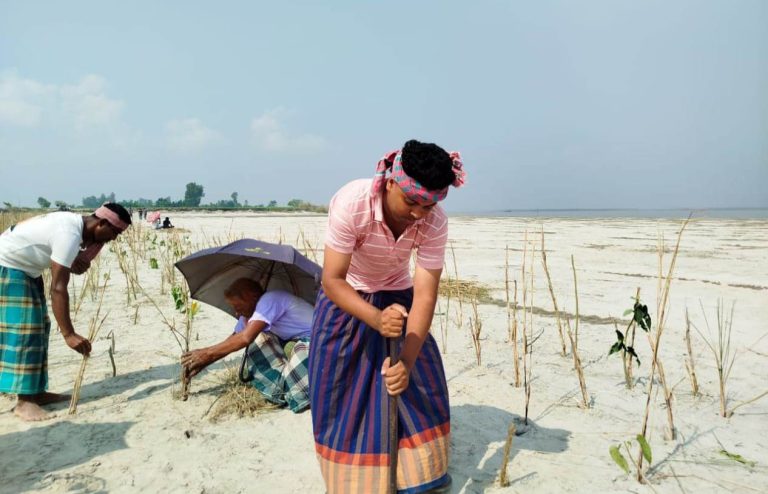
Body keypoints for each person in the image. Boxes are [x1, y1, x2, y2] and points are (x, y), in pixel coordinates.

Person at [309, 139, 465, 493]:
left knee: (418, 384)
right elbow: (332, 280)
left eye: (428, 205)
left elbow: (425, 293)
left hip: (399, 294)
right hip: (347, 297)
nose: (418, 214)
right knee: (342, 392)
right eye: (411, 202)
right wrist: (376, 319)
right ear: (391, 182)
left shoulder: (434, 222)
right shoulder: (352, 203)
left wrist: (407, 363)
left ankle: (417, 476)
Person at [0, 202, 131, 421]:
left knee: (40, 327)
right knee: (26, 332)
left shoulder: (74, 229)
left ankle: (36, 392)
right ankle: (24, 402)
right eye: (114, 232)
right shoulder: (68, 234)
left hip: (26, 268)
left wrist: (73, 261)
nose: (114, 238)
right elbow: (58, 288)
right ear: (101, 223)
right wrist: (69, 334)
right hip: (8, 265)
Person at [181, 278, 314, 413]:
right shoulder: (250, 315)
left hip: (316, 341)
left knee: (298, 351)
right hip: (293, 343)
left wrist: (207, 354)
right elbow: (233, 339)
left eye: (239, 308)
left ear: (253, 297)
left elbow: (245, 338)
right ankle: (282, 392)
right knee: (259, 340)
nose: (237, 313)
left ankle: (300, 396)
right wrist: (204, 361)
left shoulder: (270, 299)